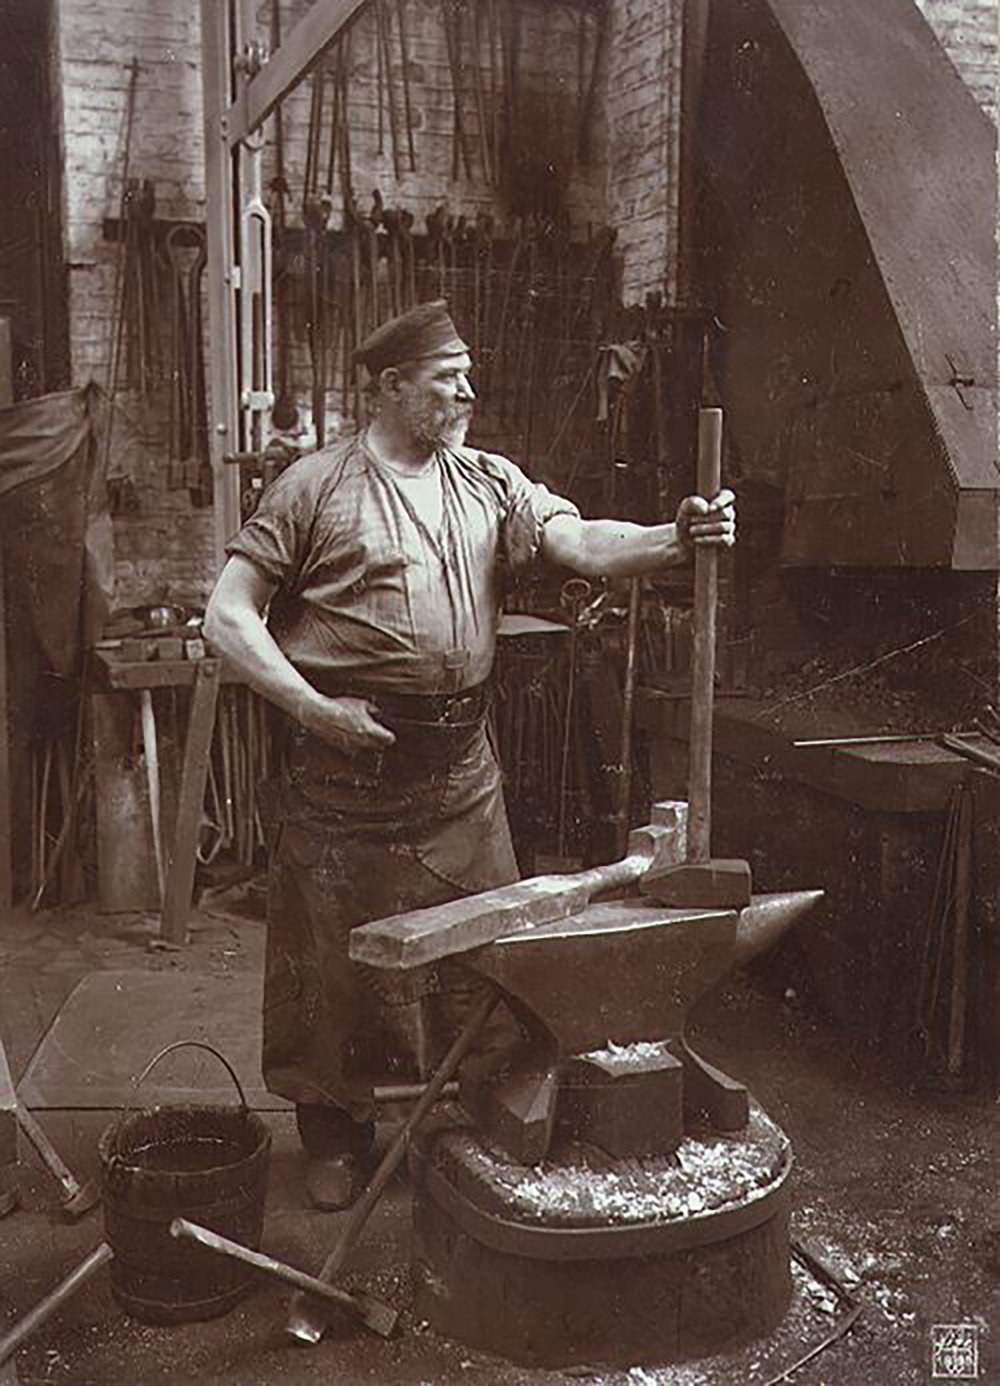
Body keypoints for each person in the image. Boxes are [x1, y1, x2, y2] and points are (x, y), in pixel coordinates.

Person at [203, 300, 736, 1210]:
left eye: (467, 376)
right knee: (337, 964)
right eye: (449, 380)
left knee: (490, 946)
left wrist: (670, 537)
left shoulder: (486, 480)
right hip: (345, 771)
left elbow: (577, 542)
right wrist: (316, 709)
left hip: (458, 771)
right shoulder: (314, 486)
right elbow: (228, 615)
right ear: (391, 386)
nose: (467, 393)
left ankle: (486, 1100)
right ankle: (336, 1132)